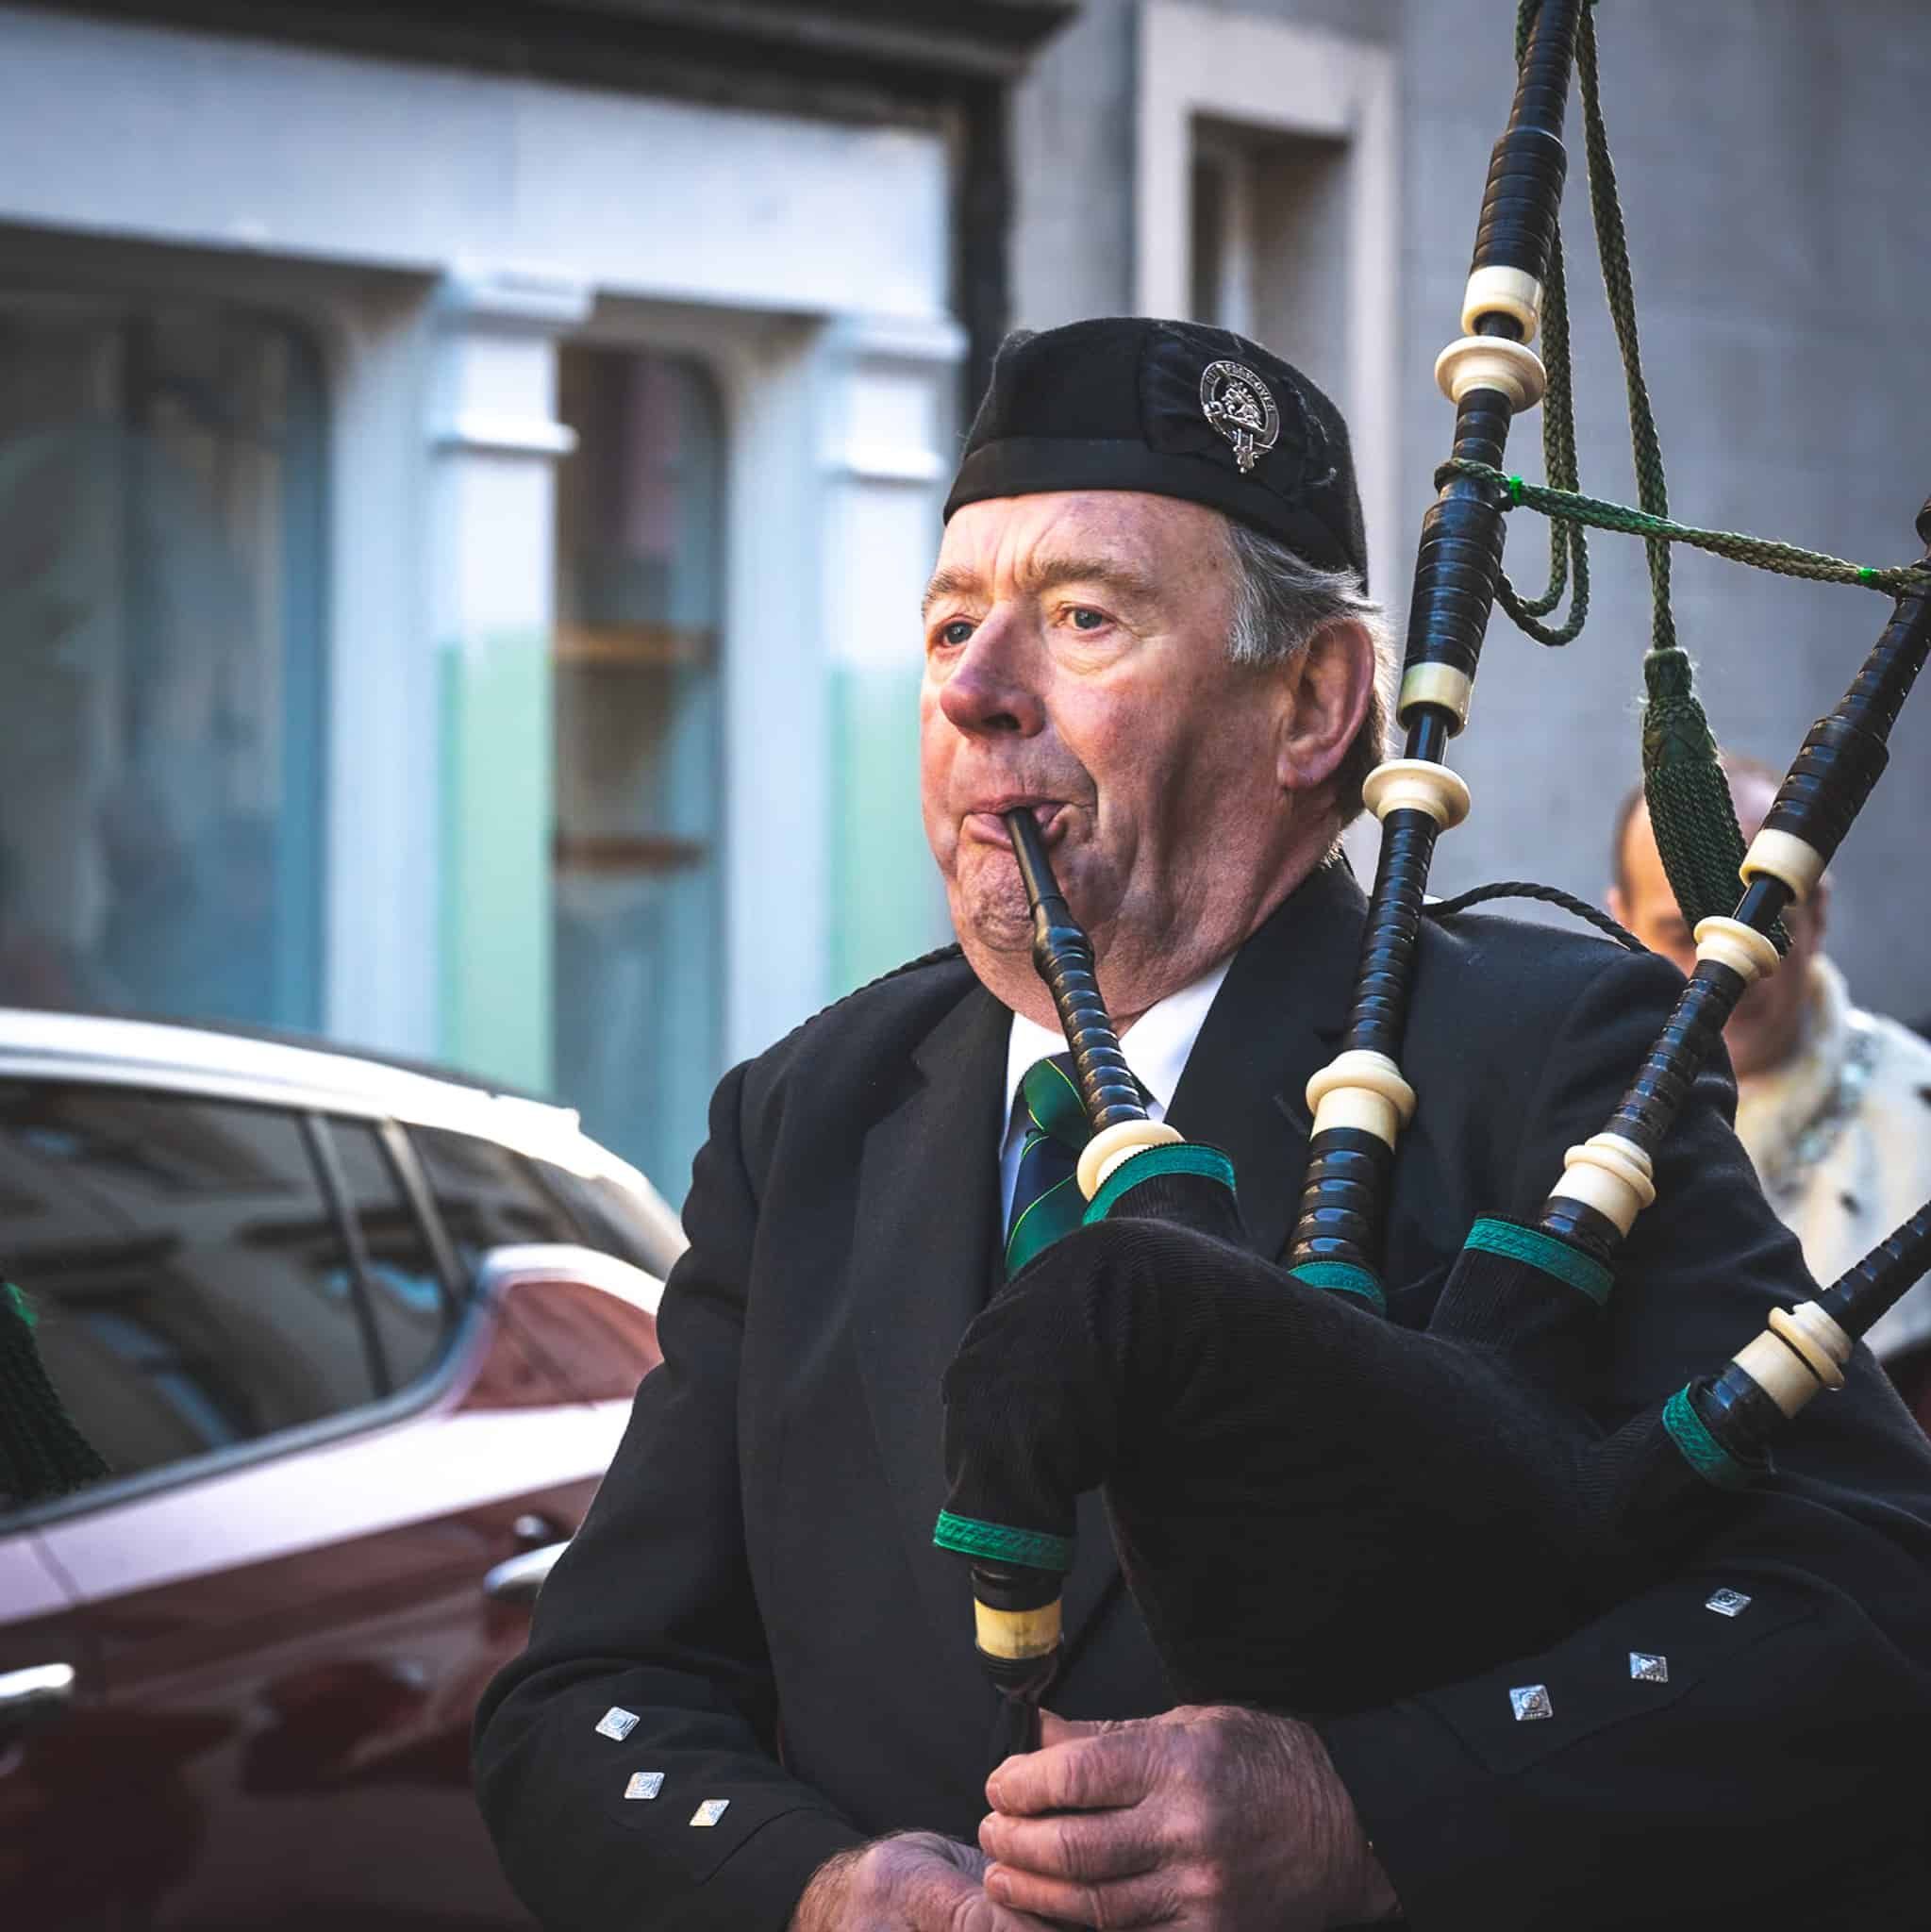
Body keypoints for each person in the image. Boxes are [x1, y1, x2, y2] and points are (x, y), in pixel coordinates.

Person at [474, 320, 1931, 1931]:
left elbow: (1870, 1602)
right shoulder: (804, 1116)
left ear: (1312, 702)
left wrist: (1369, 1811)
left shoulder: (1548, 1064)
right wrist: (825, 1890)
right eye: (950, 623)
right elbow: (588, 1696)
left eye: (1081, 617)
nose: (973, 690)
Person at [1610, 758, 1931, 1406]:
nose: (1733, 965)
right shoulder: (1569, 1117)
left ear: (1818, 916)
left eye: (1768, 923)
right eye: (1684, 933)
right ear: (1623, 924)